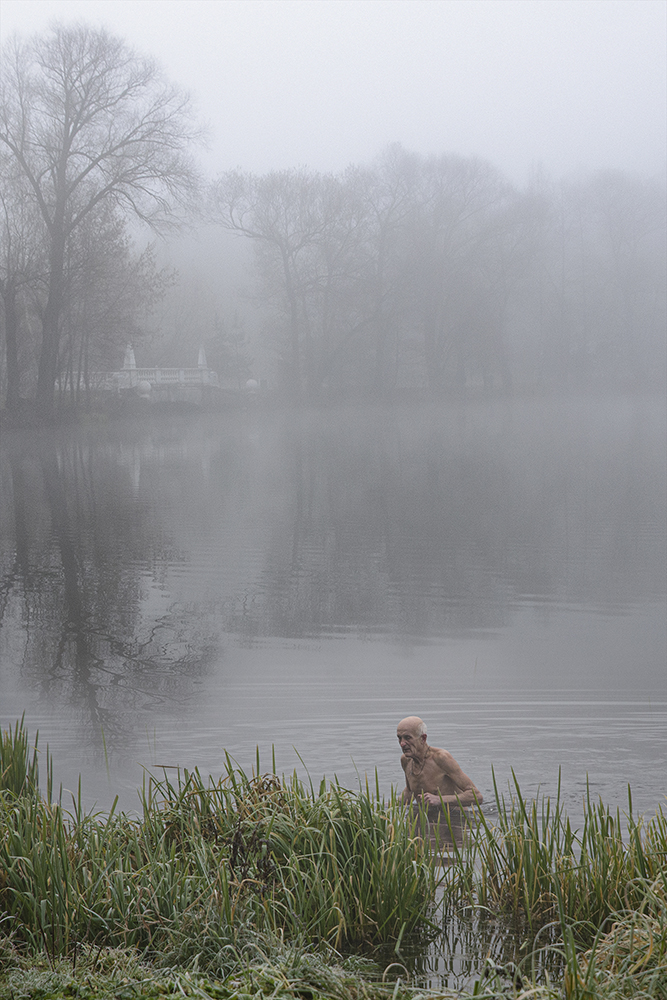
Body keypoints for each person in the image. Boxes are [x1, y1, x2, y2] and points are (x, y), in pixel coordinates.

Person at [397, 715, 483, 810]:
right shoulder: (406, 760)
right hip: (426, 818)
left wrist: (439, 800)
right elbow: (410, 791)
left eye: (407, 738)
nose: (402, 743)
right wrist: (388, 806)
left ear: (423, 738)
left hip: (454, 818)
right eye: (399, 738)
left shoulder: (441, 758)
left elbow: (476, 796)